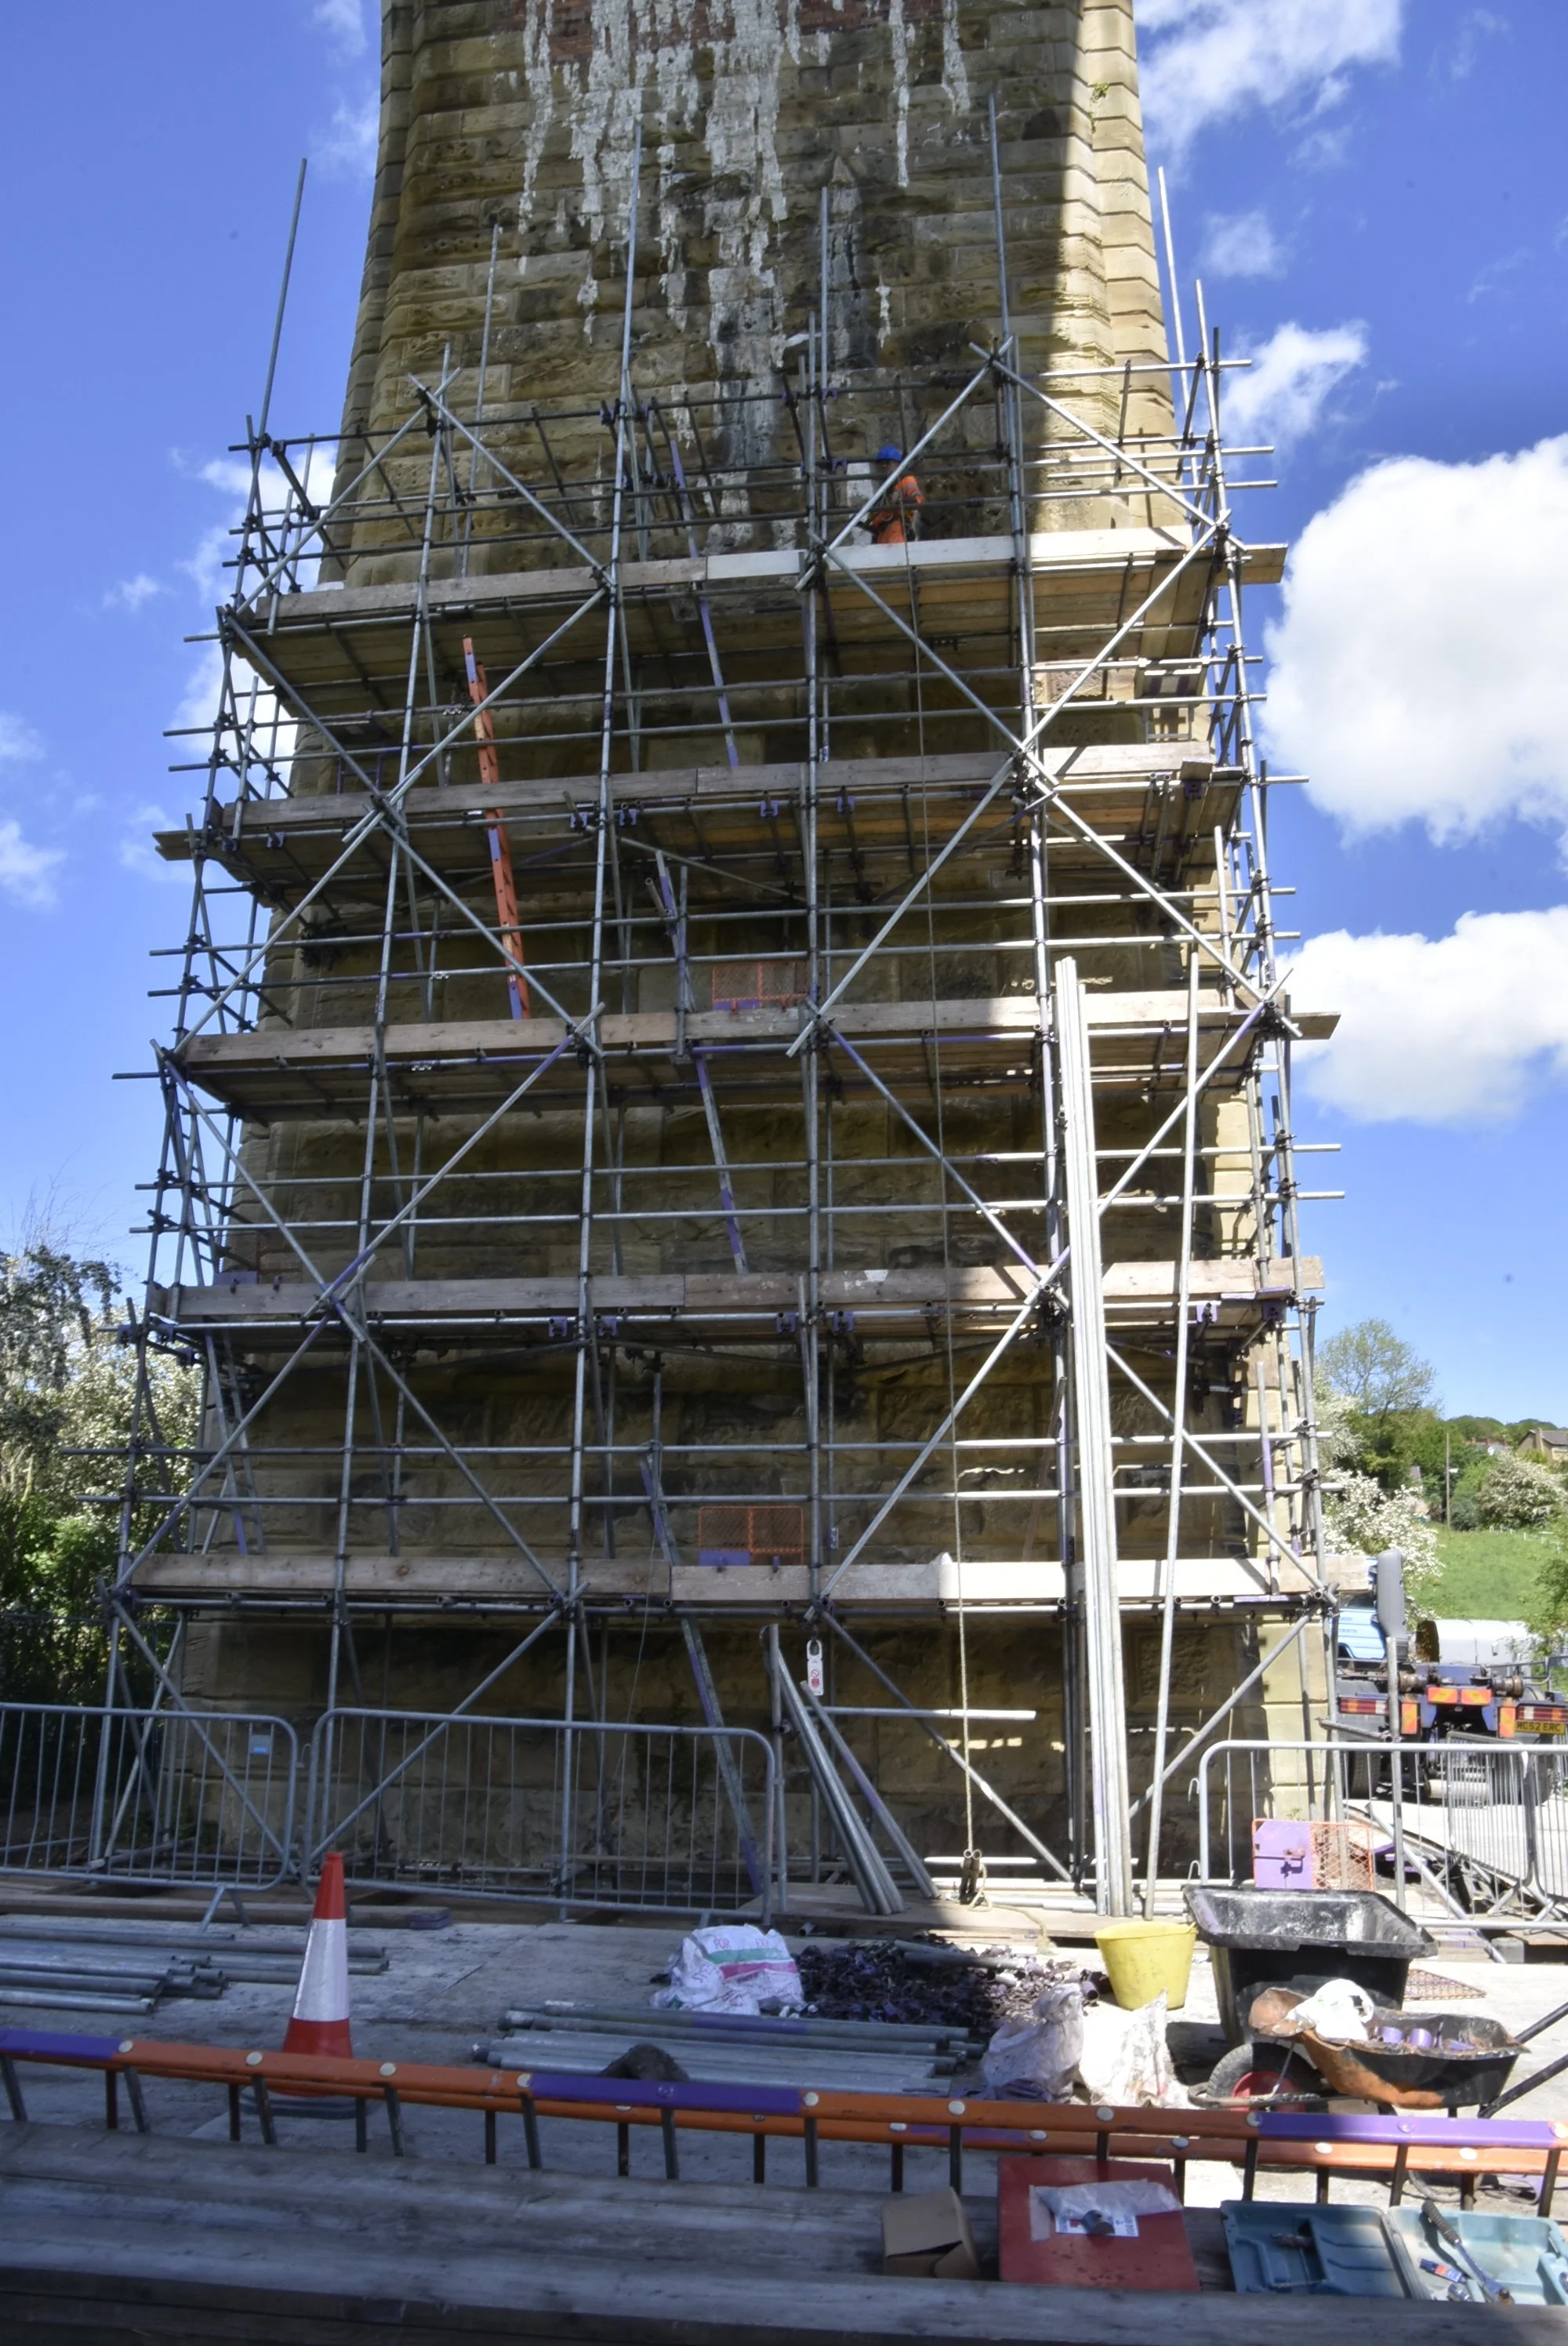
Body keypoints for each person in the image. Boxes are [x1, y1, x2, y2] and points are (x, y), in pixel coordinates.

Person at [869, 444, 925, 545]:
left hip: (896, 527)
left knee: (898, 553)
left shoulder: (906, 479)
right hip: (881, 531)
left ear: (898, 463)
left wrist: (899, 500)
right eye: (881, 463)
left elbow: (918, 500)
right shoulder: (886, 485)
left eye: (887, 462)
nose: (884, 466)